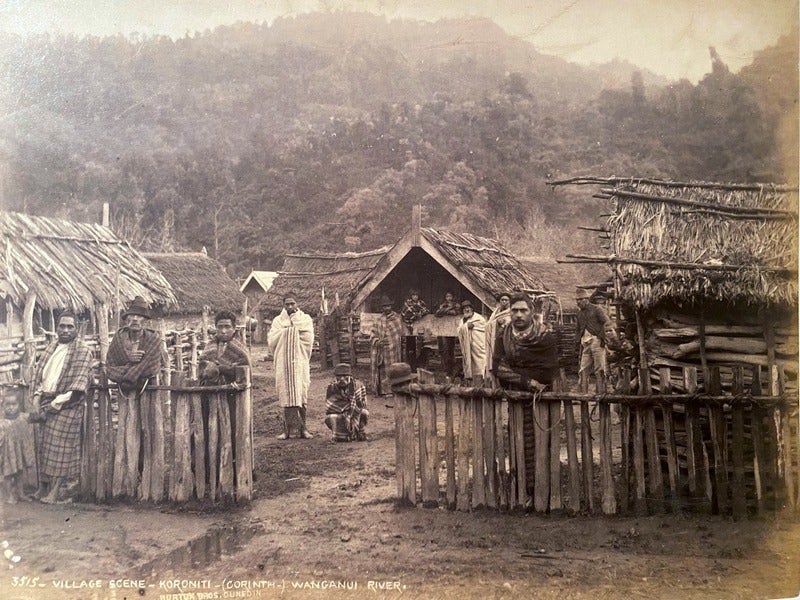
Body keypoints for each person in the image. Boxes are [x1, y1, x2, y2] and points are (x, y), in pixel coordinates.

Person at [491, 293, 559, 501]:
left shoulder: (545, 336)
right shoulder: (504, 335)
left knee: (540, 443)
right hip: (517, 396)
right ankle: (523, 490)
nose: (518, 315)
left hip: (541, 399)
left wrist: (522, 373)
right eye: (515, 310)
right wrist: (527, 381)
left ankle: (542, 492)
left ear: (532, 312)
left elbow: (547, 370)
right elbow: (498, 367)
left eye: (523, 310)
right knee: (519, 441)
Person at [31, 311, 94, 504]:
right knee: (44, 445)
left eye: (70, 327)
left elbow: (77, 386)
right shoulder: (51, 348)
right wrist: (36, 399)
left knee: (61, 449)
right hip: (46, 400)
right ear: (56, 328)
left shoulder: (82, 351)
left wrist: (55, 404)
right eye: (62, 326)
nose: (65, 330)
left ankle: (56, 492)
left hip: (68, 405)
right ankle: (43, 488)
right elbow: (40, 377)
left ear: (77, 329)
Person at [268, 293, 314, 439]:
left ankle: (304, 429)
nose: (290, 307)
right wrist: (288, 331)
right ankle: (286, 430)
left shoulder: (305, 319)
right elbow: (272, 340)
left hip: (299, 361)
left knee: (301, 394)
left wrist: (290, 330)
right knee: (286, 394)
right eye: (287, 304)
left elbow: (308, 337)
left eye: (292, 304)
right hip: (284, 362)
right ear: (283, 305)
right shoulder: (277, 321)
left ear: (297, 303)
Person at [107, 296, 164, 398]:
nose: (135, 319)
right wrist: (128, 358)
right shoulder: (118, 339)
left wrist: (128, 368)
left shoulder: (153, 339)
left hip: (148, 388)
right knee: (125, 413)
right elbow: (110, 367)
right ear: (126, 319)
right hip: (123, 389)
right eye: (132, 315)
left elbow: (152, 368)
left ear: (145, 320)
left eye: (139, 316)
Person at [0, 388, 36, 503]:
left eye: (14, 404)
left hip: (20, 452)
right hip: (8, 453)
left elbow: (36, 416)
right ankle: (9, 495)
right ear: (3, 406)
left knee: (20, 473)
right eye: (8, 404)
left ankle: (21, 493)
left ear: (19, 405)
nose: (11, 407)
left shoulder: (23, 417)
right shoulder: (2, 422)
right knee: (8, 474)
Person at [199, 310, 251, 385]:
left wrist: (219, 368)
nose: (223, 331)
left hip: (234, 391)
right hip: (209, 390)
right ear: (215, 328)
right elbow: (202, 366)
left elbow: (243, 371)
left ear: (234, 328)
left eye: (227, 327)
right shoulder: (209, 347)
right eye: (220, 327)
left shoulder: (241, 350)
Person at [575, 287, 611, 387]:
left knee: (599, 368)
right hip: (585, 343)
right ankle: (583, 392)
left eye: (580, 300)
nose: (578, 302)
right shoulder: (579, 314)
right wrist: (577, 341)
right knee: (583, 368)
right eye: (577, 300)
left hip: (596, 342)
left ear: (586, 299)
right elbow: (578, 329)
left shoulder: (596, 309)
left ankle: (602, 391)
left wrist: (602, 337)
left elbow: (607, 323)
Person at [324, 363, 369, 442]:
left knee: (364, 413)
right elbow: (329, 408)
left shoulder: (358, 386)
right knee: (330, 417)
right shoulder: (331, 388)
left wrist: (350, 412)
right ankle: (340, 436)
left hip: (355, 415)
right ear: (335, 377)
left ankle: (360, 433)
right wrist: (345, 412)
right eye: (339, 376)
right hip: (340, 415)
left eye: (345, 376)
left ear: (350, 376)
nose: (342, 379)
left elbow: (362, 405)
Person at [369, 295, 404, 395]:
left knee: (392, 369)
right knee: (382, 370)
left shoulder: (396, 319)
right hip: (381, 349)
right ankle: (382, 390)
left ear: (391, 306)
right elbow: (373, 332)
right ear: (382, 308)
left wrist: (391, 342)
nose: (386, 308)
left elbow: (397, 334)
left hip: (392, 350)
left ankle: (392, 390)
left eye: (388, 306)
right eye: (384, 306)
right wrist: (377, 341)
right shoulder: (379, 319)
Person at [456, 300, 487, 384]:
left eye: (468, 308)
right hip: (468, 347)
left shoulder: (479, 318)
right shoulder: (462, 320)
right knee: (470, 363)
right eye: (465, 308)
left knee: (481, 362)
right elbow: (459, 330)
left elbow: (484, 328)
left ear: (472, 309)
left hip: (478, 345)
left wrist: (470, 327)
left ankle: (483, 379)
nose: (467, 310)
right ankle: (471, 380)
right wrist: (466, 327)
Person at [484, 292, 512, 384]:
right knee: (494, 359)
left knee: (504, 361)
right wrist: (496, 322)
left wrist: (504, 323)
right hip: (495, 339)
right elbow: (489, 323)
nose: (504, 302)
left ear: (509, 301)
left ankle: (506, 382)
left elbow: (512, 323)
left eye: (506, 300)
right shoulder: (496, 311)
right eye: (502, 300)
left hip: (506, 340)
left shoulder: (512, 312)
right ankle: (495, 382)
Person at [399, 289, 428, 370]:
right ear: (411, 296)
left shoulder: (421, 303)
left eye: (416, 295)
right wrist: (414, 315)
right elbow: (404, 314)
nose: (415, 297)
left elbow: (426, 310)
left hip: (419, 327)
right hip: (409, 326)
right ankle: (410, 365)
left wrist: (419, 314)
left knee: (420, 345)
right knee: (410, 347)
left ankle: (417, 364)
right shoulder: (407, 303)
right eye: (413, 295)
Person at [434, 291, 459, 378]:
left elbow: (455, 313)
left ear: (452, 297)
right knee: (443, 349)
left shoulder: (456, 305)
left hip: (452, 330)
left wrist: (444, 310)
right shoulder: (443, 304)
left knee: (450, 349)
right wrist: (447, 309)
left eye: (450, 296)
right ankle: (445, 369)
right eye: (447, 296)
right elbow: (437, 313)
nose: (448, 298)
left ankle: (451, 370)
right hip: (443, 329)